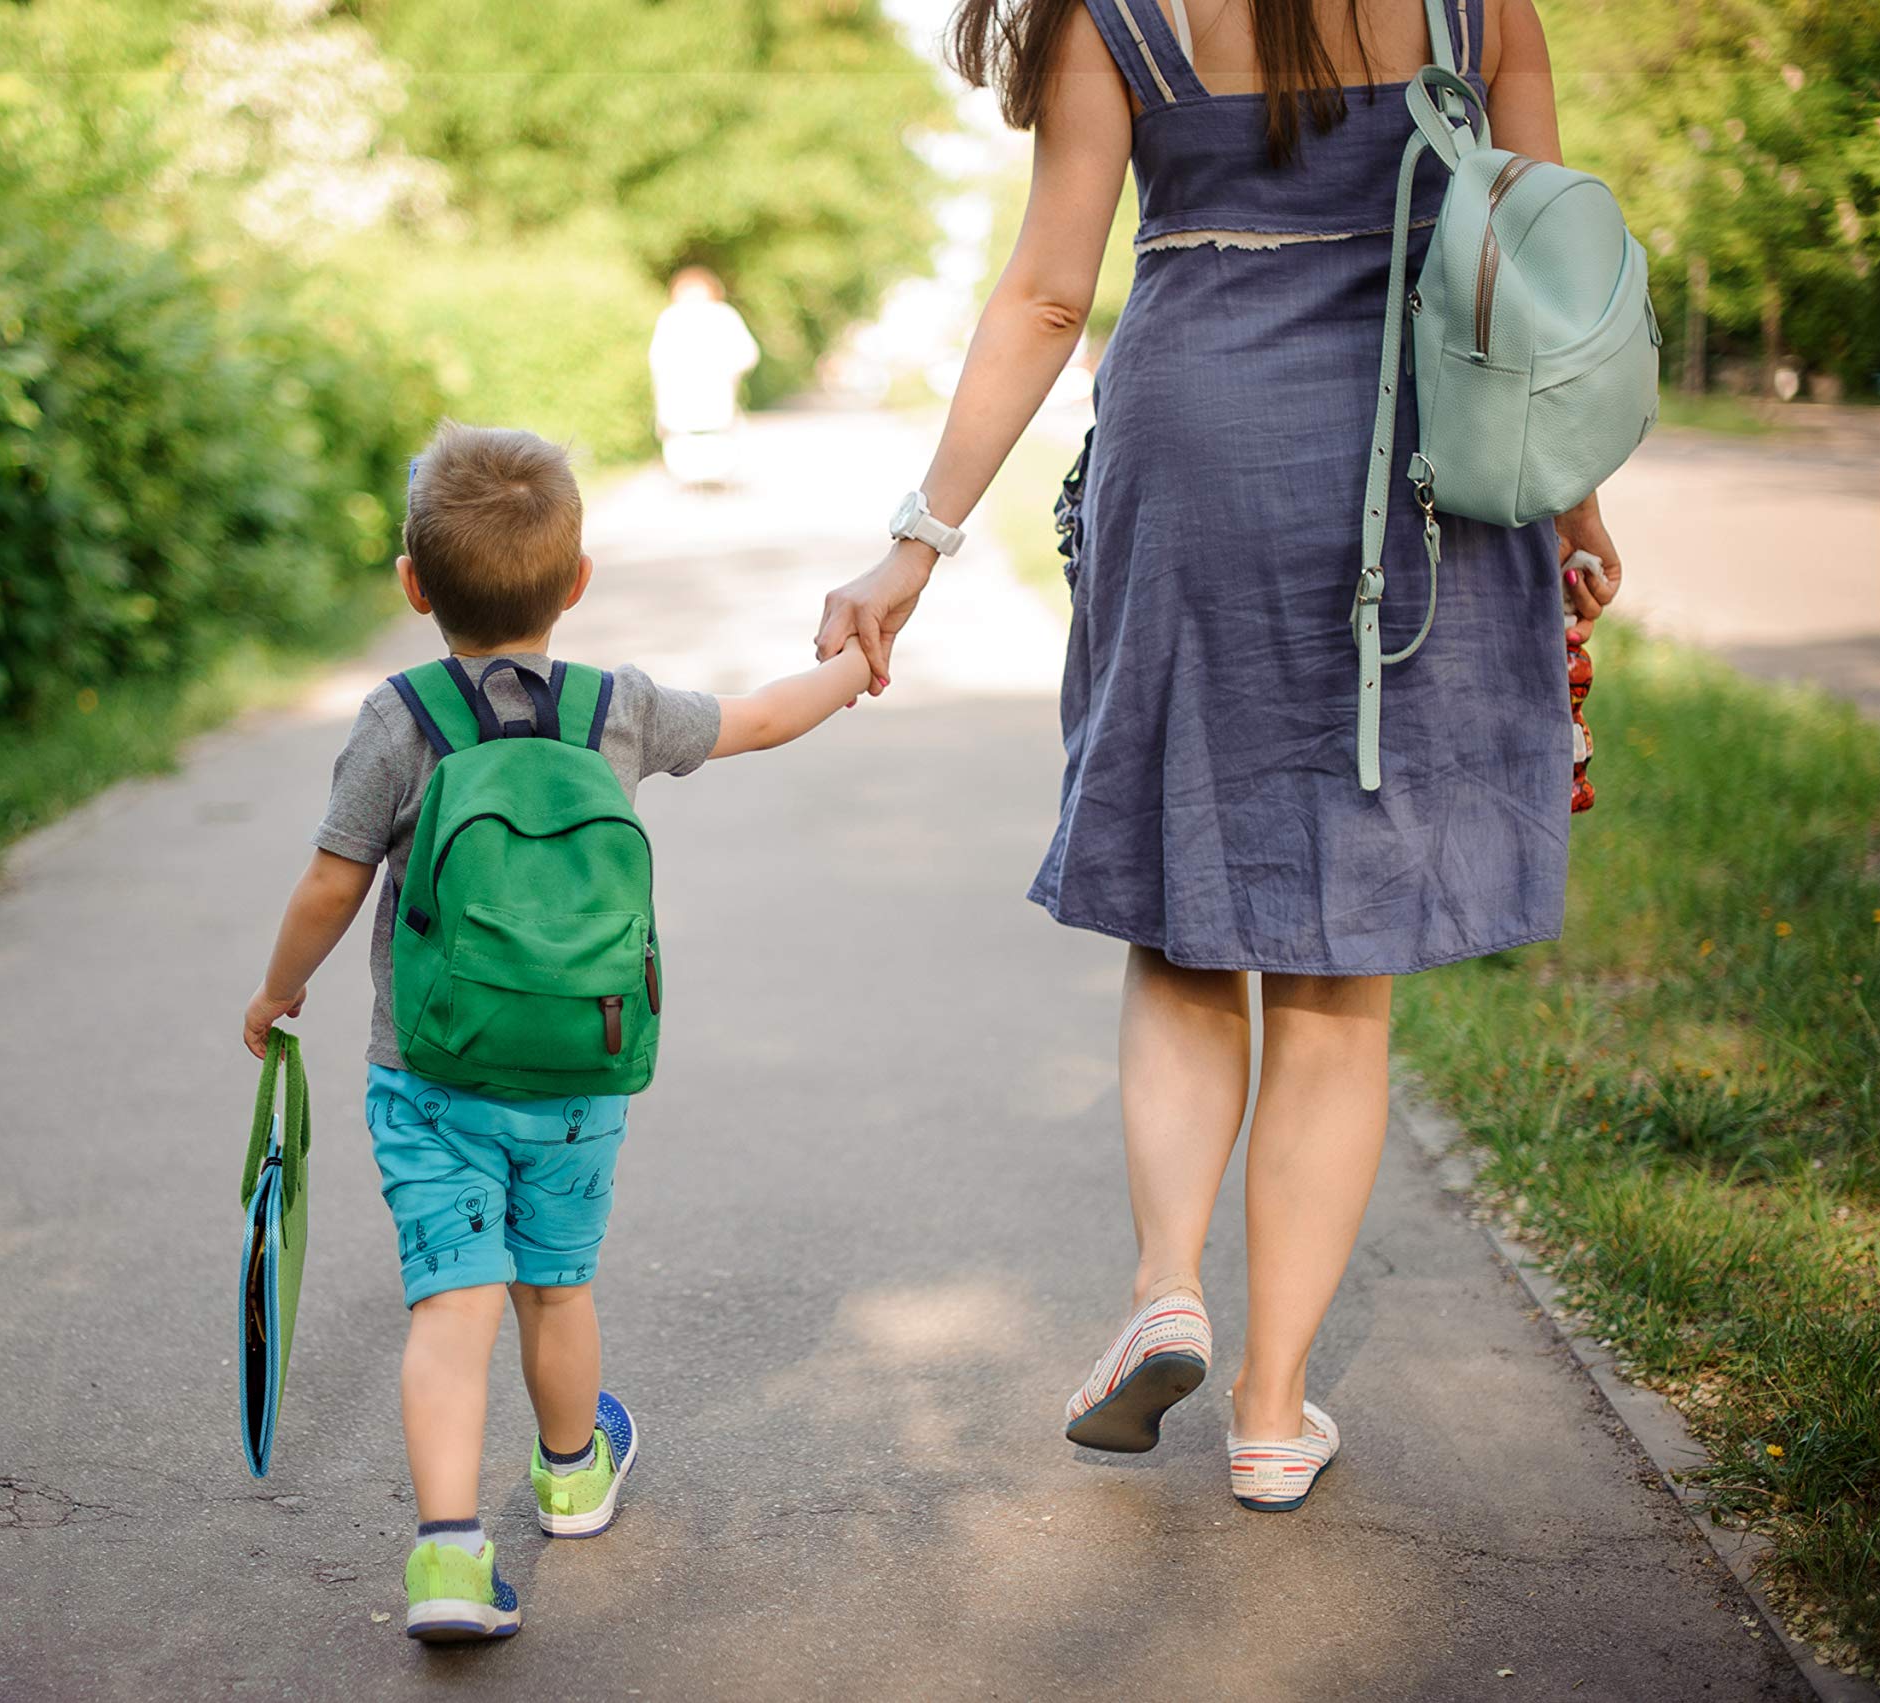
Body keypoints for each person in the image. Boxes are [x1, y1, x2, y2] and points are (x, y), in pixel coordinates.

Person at [814, 0, 1626, 1512]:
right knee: (1337, 977)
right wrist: (1571, 500)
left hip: (1197, 450)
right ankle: (1269, 1412)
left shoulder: (1117, 15)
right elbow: (1541, 268)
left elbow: (1053, 297)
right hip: (1423, 473)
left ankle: (1168, 1284)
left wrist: (913, 544)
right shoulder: (1477, 4)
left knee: (1192, 914)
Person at [242, 422, 874, 1640]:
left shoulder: (400, 715)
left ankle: (446, 1559)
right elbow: (756, 719)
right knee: (557, 1286)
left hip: (428, 1072)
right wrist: (850, 668)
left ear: (412, 584)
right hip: (582, 1069)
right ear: (576, 582)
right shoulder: (615, 709)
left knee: (451, 1304)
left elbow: (331, 881)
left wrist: (278, 992)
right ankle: (574, 1471)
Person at [649, 267, 761, 486]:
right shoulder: (671, 318)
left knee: (713, 459)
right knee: (689, 463)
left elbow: (747, 354)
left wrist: (726, 370)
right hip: (681, 406)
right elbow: (658, 364)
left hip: (713, 402)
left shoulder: (721, 316)